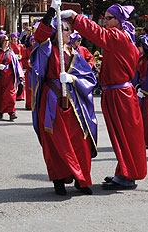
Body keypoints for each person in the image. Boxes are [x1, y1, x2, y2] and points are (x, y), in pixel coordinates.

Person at [61, 2, 146, 190]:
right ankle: (123, 171)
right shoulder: (122, 36)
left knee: (125, 136)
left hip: (120, 94)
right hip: (116, 92)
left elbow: (98, 34)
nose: (105, 21)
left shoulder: (118, 36)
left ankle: (128, 175)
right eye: (104, 18)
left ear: (118, 20)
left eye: (108, 18)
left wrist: (76, 18)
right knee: (120, 136)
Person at [30, 16, 98, 195]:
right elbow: (39, 36)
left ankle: (82, 179)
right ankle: (58, 180)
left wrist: (73, 79)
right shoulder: (47, 50)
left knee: (80, 140)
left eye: (69, 29)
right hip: (52, 101)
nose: (70, 32)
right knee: (56, 142)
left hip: (75, 104)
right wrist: (51, 11)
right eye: (66, 29)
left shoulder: (74, 53)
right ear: (56, 33)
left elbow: (89, 78)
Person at [0, 34, 23, 121]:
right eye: (5, 40)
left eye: (7, 40)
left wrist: (20, 76)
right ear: (1, 42)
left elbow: (16, 64)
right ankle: (0, 111)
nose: (7, 42)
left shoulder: (10, 52)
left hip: (9, 76)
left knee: (10, 94)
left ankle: (11, 112)